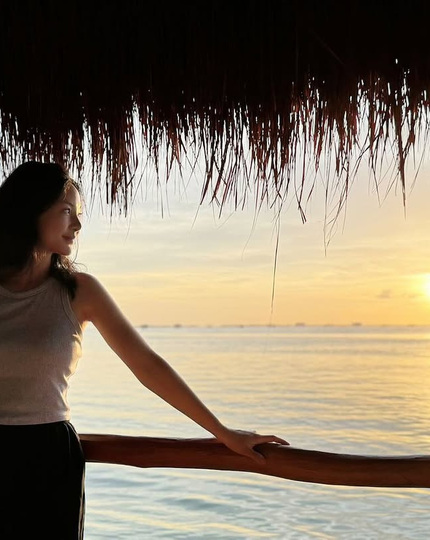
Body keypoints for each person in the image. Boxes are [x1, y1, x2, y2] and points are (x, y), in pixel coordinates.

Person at [0, 161, 288, 539]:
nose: (78, 225)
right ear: (31, 210)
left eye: (79, 213)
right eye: (67, 211)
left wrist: (222, 432)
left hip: (50, 458)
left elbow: (146, 364)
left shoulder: (80, 292)